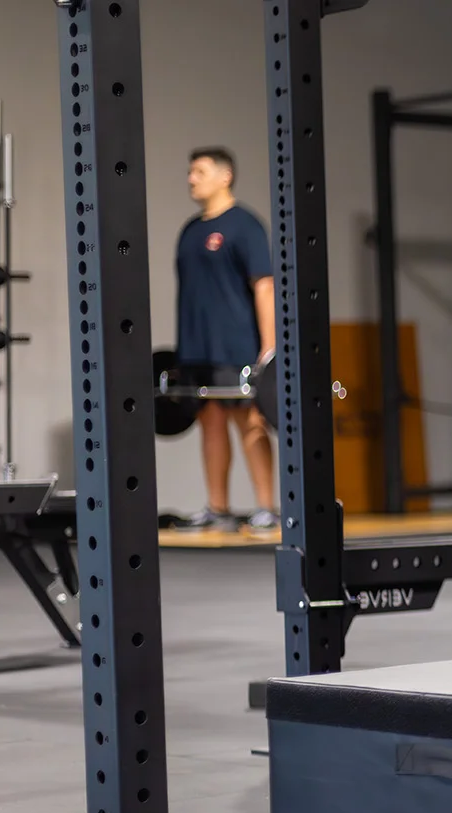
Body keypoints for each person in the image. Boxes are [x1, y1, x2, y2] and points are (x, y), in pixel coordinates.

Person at [175, 147, 277, 532]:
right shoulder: (190, 230)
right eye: (190, 172)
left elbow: (264, 287)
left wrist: (269, 349)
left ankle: (266, 507)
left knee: (250, 420)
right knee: (210, 422)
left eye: (199, 172)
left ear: (225, 176)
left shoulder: (245, 226)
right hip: (196, 348)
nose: (191, 179)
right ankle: (218, 508)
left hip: (237, 345)